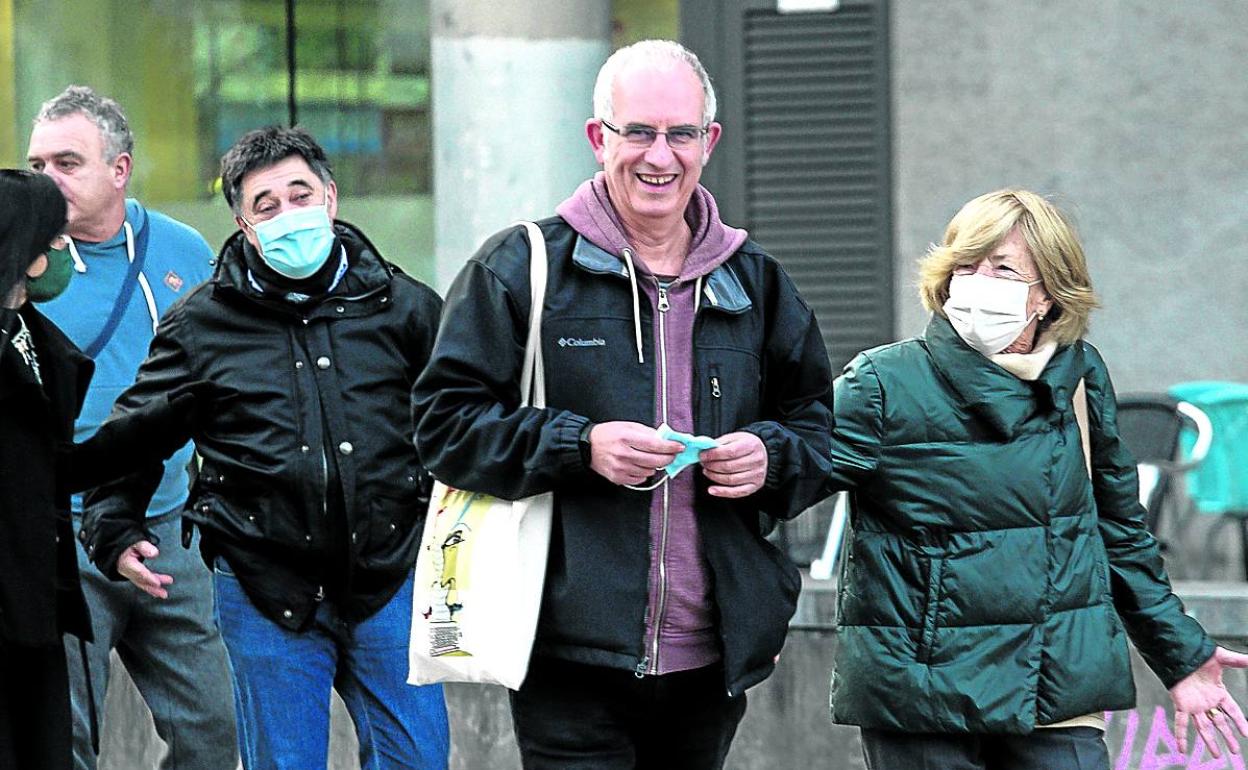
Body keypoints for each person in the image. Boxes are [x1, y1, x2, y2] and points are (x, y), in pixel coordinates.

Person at [412, 39, 834, 769]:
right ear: (598, 137)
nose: (659, 156)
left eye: (680, 133)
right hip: (566, 654)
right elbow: (442, 426)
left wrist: (771, 457)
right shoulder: (519, 268)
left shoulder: (758, 283)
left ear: (711, 141)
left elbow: (821, 432)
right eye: (638, 131)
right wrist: (579, 447)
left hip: (713, 659)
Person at [824, 189, 1248, 769]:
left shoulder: (1078, 375)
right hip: (922, 702)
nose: (978, 282)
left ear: (1048, 295)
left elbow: (1117, 532)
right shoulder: (881, 381)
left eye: (1003, 269)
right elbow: (787, 482)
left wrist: (1180, 654)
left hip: (1055, 688)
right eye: (965, 266)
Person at [81, 125, 450, 770]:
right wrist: (114, 527)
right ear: (244, 225)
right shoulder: (202, 324)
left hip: (390, 575)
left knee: (418, 758)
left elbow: (462, 414)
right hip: (264, 587)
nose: (288, 215)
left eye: (299, 194)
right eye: (265, 205)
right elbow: (139, 429)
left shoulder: (404, 306)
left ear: (331, 199)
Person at [26, 85, 238, 770]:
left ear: (119, 170)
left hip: (170, 529)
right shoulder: (18, 264)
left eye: (66, 163)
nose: (47, 180)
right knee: (67, 743)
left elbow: (222, 382)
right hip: (60, 536)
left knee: (216, 731)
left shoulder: (181, 250)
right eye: (36, 166)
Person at [0, 169, 202, 770]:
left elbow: (50, 469)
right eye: (57, 239)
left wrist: (169, 416)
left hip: (38, 598)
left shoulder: (33, 337)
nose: (67, 252)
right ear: (28, 254)